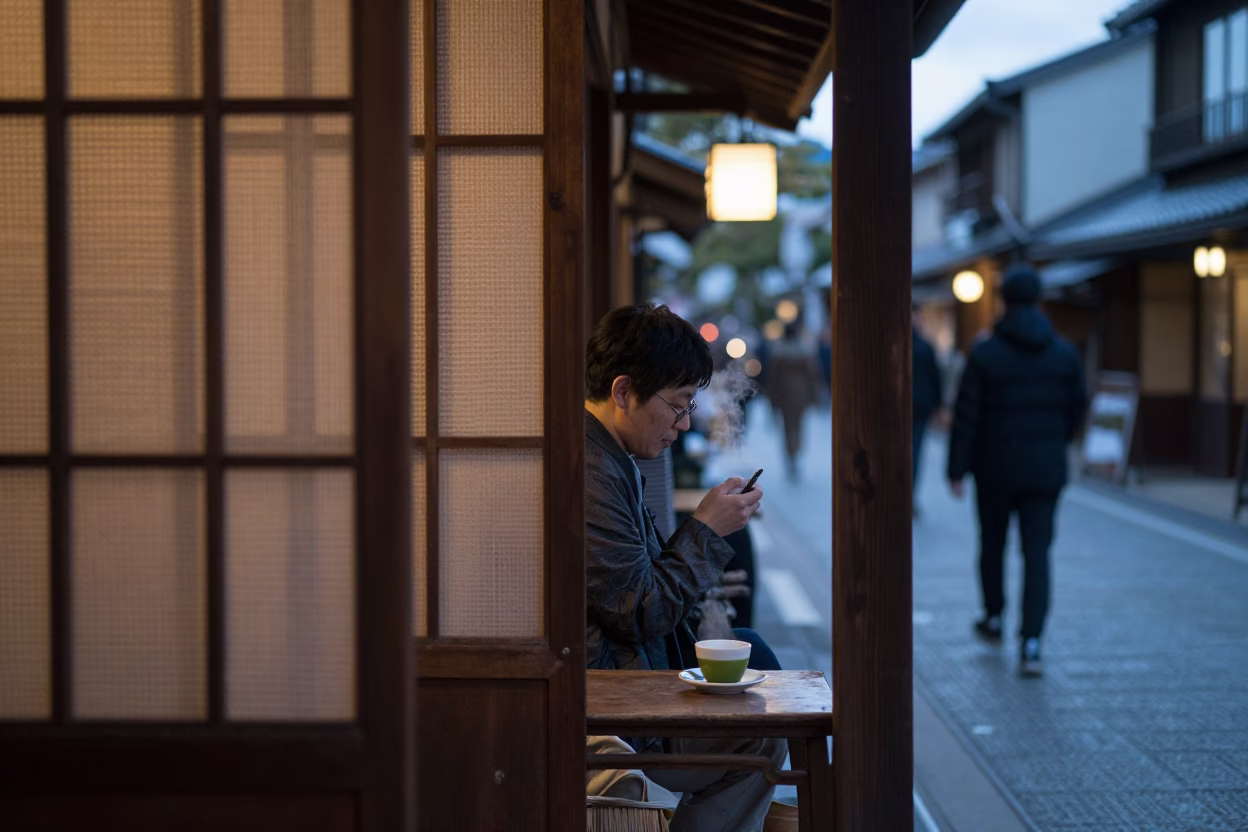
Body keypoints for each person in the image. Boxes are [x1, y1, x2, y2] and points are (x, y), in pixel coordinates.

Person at [585, 303, 787, 832]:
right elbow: (637, 612)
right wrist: (706, 530)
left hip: (620, 671)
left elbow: (633, 590)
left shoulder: (605, 456)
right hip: (608, 696)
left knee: (754, 658)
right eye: (677, 406)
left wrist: (703, 567)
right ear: (624, 391)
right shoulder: (590, 469)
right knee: (760, 731)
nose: (685, 423)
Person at [946, 264, 1088, 677]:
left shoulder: (986, 353)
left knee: (992, 543)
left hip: (994, 469)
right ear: (1039, 301)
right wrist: (1055, 442)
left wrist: (957, 468)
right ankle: (1032, 641)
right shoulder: (1063, 353)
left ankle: (993, 617)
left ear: (1003, 300)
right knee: (1037, 552)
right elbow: (1078, 407)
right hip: (1045, 470)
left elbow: (966, 415)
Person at [764, 323, 822, 481]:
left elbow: (773, 377)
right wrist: (814, 394)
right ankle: (796, 452)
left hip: (784, 393)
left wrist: (772, 396)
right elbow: (813, 375)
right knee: (799, 424)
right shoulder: (804, 351)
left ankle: (791, 454)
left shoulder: (779, 352)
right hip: (801, 393)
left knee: (788, 426)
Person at [912, 308, 944, 516]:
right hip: (917, 407)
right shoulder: (924, 346)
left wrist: (938, 405)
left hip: (919, 409)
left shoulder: (925, 347)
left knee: (914, 453)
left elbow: (935, 378)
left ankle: (909, 495)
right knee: (912, 453)